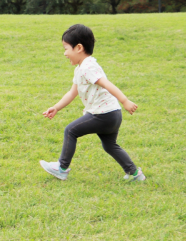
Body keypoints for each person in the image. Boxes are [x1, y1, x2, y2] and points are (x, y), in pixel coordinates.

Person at [40, 24, 145, 181]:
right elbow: (72, 93)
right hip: (112, 114)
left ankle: (61, 168)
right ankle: (135, 174)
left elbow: (106, 84)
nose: (65, 53)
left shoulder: (87, 67)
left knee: (71, 131)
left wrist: (125, 100)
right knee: (110, 145)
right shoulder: (81, 68)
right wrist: (56, 107)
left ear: (79, 48)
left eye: (66, 48)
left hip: (104, 114)